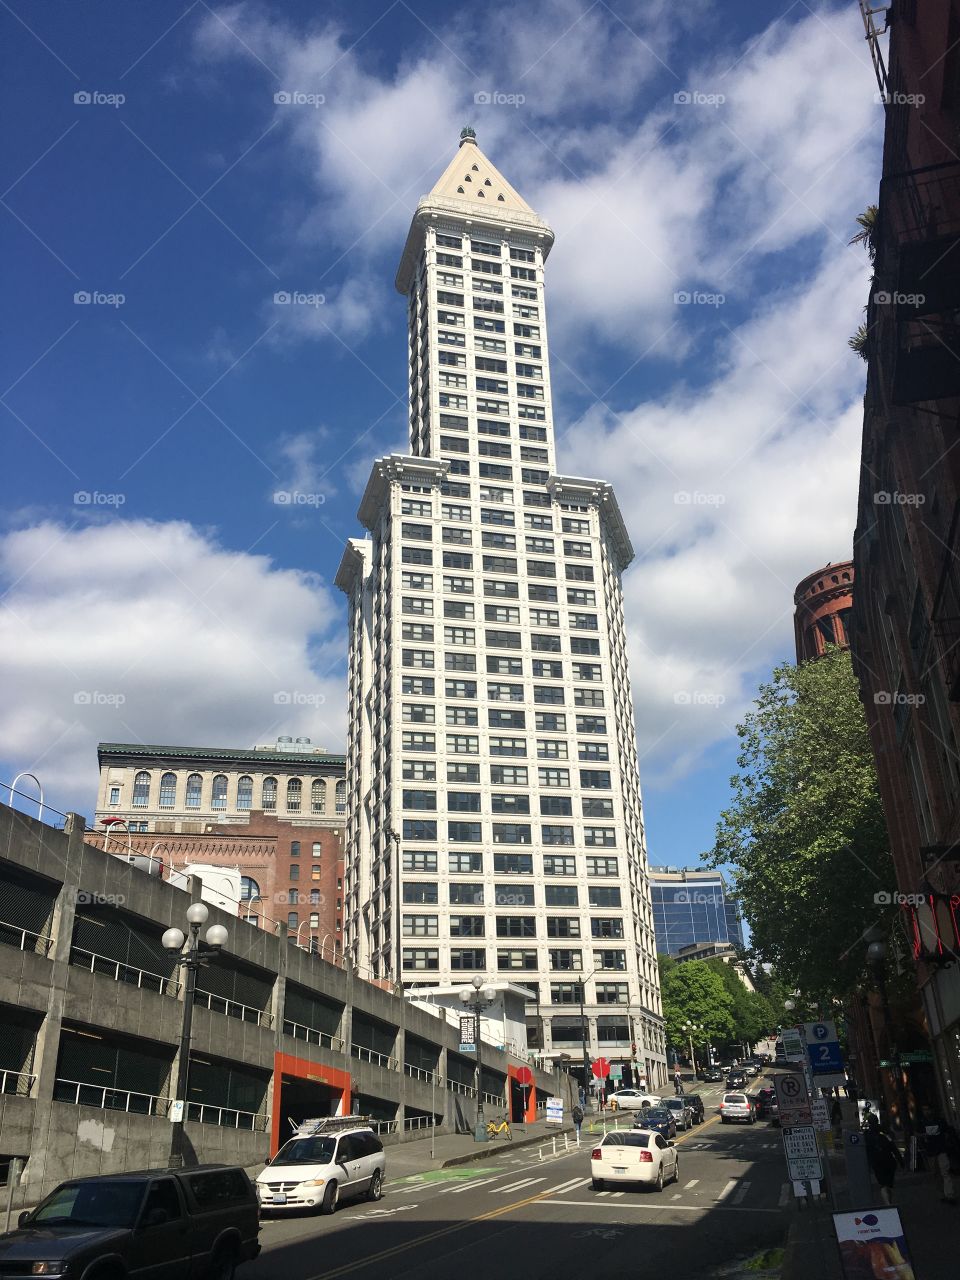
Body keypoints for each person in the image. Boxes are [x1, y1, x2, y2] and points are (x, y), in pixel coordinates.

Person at [864, 1113, 903, 1206]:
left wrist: (868, 1163)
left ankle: (887, 1203)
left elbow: (866, 1150)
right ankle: (889, 1202)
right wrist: (901, 1161)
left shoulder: (867, 1135)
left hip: (877, 1162)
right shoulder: (884, 1131)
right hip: (889, 1161)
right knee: (888, 1184)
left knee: (883, 1184)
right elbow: (893, 1147)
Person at [922, 1110, 959, 1205]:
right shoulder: (922, 1122)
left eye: (928, 1110)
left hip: (941, 1150)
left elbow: (947, 1131)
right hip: (931, 1151)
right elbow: (917, 1134)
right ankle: (942, 1194)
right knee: (936, 1174)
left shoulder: (940, 1121)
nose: (927, 1112)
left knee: (945, 1172)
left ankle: (949, 1194)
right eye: (925, 1110)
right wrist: (924, 1136)